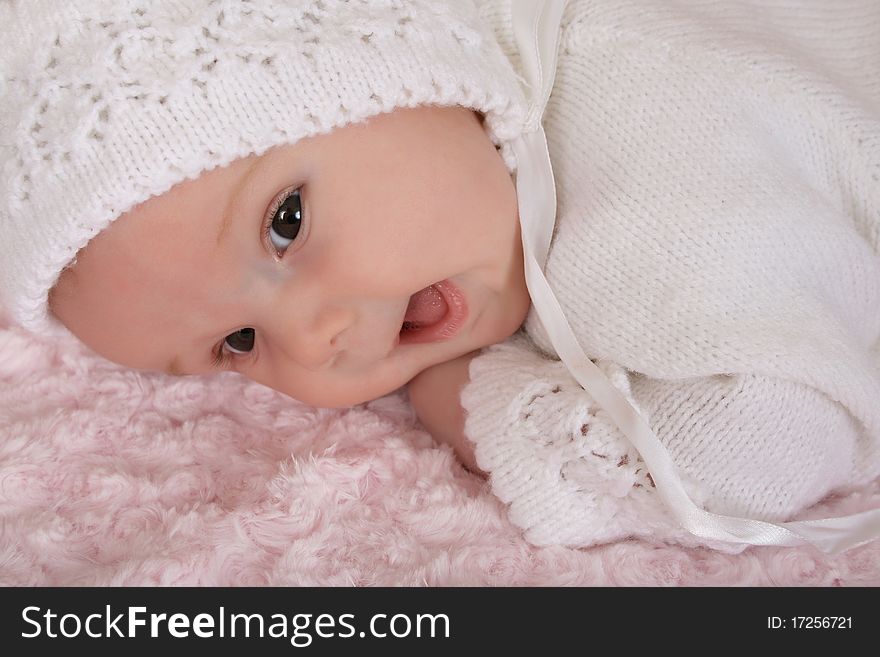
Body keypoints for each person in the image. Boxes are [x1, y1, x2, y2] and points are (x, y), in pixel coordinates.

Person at [2, 0, 878, 551]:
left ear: (384, 66)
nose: (316, 339)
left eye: (287, 223)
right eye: (239, 341)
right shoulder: (484, 167)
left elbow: (758, 443)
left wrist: (474, 400)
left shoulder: (639, 139)